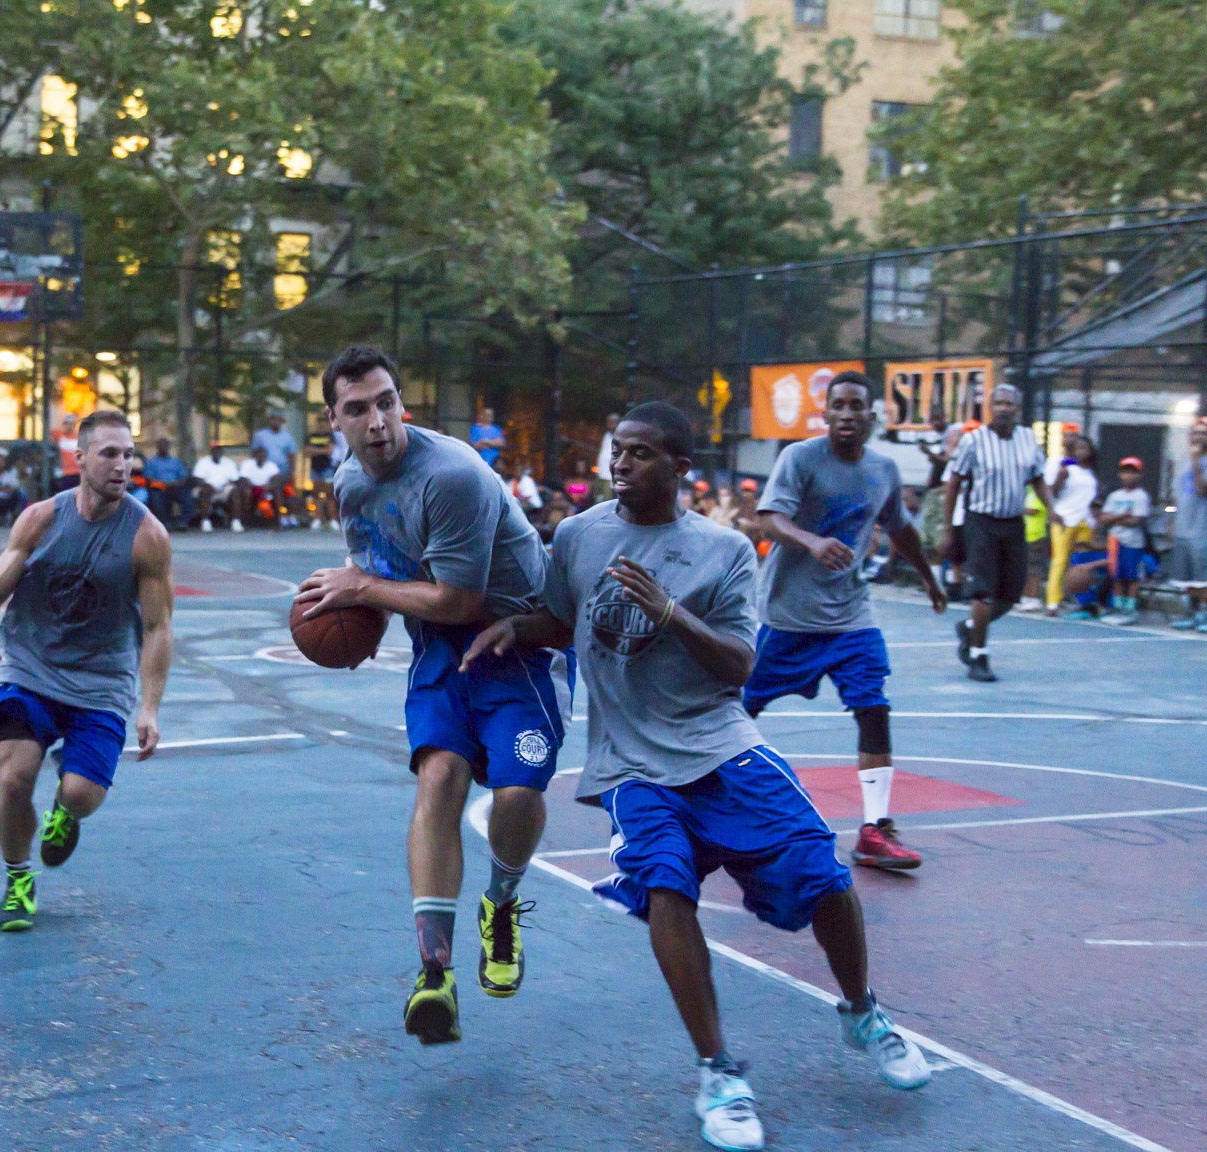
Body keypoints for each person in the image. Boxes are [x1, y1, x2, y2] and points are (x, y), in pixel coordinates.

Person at [463, 402, 930, 1151]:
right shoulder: (580, 536)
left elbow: (741, 666)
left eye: (640, 454)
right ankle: (719, 1073)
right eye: (617, 450)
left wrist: (671, 611)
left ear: (681, 469)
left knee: (825, 874)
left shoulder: (724, 550)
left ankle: (861, 1011)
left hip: (720, 743)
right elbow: (560, 617)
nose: (620, 464)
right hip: (631, 764)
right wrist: (514, 629)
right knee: (666, 888)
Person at [295, 346, 562, 1047]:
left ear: (400, 402)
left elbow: (460, 596)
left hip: (517, 641)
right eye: (358, 409)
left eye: (386, 401)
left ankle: (500, 906)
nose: (377, 420)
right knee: (438, 777)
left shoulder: (453, 477)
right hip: (442, 645)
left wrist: (364, 592)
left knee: (516, 795)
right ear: (334, 420)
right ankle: (433, 970)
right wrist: (357, 625)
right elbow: (373, 571)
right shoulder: (348, 480)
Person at [0, 409, 174, 932]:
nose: (122, 464)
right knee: (14, 777)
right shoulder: (42, 519)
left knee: (81, 793)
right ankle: (18, 881)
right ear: (78, 458)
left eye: (129, 454)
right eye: (109, 453)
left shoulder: (147, 535)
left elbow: (158, 628)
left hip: (102, 682)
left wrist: (149, 707)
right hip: (31, 668)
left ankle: (64, 809)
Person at [742, 372, 949, 871]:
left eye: (858, 405)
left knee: (873, 707)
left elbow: (899, 528)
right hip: (789, 614)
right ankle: (710, 791)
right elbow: (768, 518)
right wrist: (812, 541)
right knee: (740, 707)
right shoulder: (800, 458)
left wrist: (929, 578)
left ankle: (874, 830)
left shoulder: (882, 469)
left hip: (852, 614)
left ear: (870, 416)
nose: (848, 414)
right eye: (839, 405)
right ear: (827, 413)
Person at [942, 384, 1059, 682]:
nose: (1005, 408)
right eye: (999, 403)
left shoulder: (1028, 439)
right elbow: (954, 483)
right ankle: (979, 657)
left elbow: (1038, 479)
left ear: (1018, 409)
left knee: (1010, 594)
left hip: (1012, 523)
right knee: (983, 592)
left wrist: (1052, 509)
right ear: (990, 407)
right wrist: (948, 529)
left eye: (1010, 403)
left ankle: (969, 628)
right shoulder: (974, 441)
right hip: (981, 522)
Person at [1044, 436, 1098, 616]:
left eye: (1086, 448)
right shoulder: (1065, 466)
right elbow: (1052, 491)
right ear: (1072, 451)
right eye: (1078, 448)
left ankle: (1080, 600)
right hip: (1065, 519)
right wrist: (1061, 477)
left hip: (1085, 521)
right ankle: (1052, 602)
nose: (1082, 452)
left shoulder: (1089, 472)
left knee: (1080, 563)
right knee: (1059, 561)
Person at [1099, 457, 1154, 626]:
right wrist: (1123, 515)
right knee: (1117, 576)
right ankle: (1118, 607)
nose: (1128, 476)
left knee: (1132, 577)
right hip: (1116, 542)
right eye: (1125, 472)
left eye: (1133, 472)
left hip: (1132, 544)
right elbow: (1103, 518)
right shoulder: (1115, 495)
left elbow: (1136, 520)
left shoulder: (1141, 496)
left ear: (1139, 475)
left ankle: (1130, 610)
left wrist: (1114, 519)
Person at [1169, 419, 1207, 630]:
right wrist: (1171, 520)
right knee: (1186, 576)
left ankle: (1204, 614)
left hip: (1202, 528)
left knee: (1203, 576)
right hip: (1182, 526)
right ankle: (1190, 613)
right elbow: (1177, 495)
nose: (1198, 437)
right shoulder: (1183, 460)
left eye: (1203, 433)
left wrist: (1196, 462)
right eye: (1195, 433)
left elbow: (1202, 489)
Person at [191, 442, 244, 533]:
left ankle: (236, 522)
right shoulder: (203, 462)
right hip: (207, 488)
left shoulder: (228, 462)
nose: (217, 452)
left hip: (224, 489)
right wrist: (207, 485)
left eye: (219, 450)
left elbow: (235, 479)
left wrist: (227, 485)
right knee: (205, 490)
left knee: (235, 491)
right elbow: (198, 478)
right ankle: (205, 522)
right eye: (215, 450)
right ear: (211, 451)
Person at [141, 438, 192, 529]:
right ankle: (164, 523)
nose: (164, 448)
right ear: (157, 447)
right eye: (161, 446)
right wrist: (163, 484)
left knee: (187, 496)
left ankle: (182, 522)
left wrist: (175, 484)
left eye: (166, 446)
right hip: (159, 487)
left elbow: (182, 477)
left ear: (169, 447)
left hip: (175, 487)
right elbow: (149, 478)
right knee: (156, 498)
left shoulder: (176, 462)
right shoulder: (151, 462)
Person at [238, 444, 283, 528]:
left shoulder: (271, 465)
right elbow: (243, 479)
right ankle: (245, 522)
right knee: (246, 492)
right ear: (255, 455)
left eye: (263, 455)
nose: (261, 457)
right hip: (252, 488)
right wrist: (250, 486)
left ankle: (278, 522)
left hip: (266, 489)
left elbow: (277, 479)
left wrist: (268, 487)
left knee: (277, 492)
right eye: (259, 455)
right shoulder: (247, 464)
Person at [595, 411, 620, 484]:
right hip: (603, 475)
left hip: (614, 476)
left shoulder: (621, 437)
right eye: (609, 422)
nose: (610, 425)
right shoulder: (606, 435)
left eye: (612, 422)